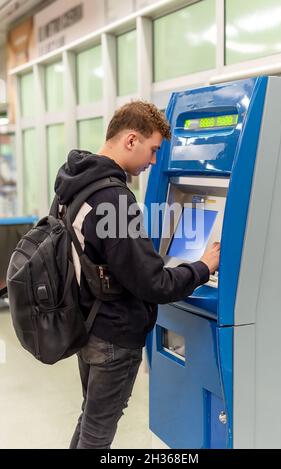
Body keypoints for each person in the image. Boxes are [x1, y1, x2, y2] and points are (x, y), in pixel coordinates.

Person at [54, 101, 220, 449]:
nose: (154, 162)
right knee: (98, 431)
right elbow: (154, 283)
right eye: (153, 149)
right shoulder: (114, 198)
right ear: (131, 140)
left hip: (87, 324)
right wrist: (204, 266)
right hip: (113, 335)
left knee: (91, 419)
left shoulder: (73, 185)